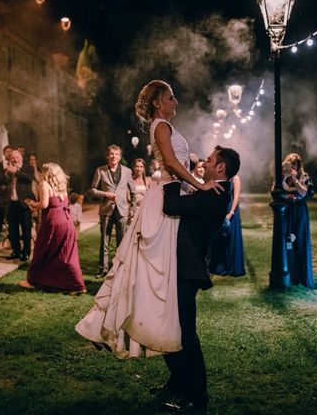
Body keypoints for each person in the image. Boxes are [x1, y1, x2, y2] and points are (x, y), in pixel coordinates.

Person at [76, 79, 221, 359]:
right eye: (170, 97)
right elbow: (172, 163)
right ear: (157, 102)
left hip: (171, 192)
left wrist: (191, 185)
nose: (175, 102)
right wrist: (200, 183)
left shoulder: (163, 126)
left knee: (151, 271)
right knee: (151, 270)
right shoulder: (162, 126)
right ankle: (133, 324)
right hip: (165, 198)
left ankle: (156, 324)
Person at [158, 146, 239, 413]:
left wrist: (171, 176)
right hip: (181, 267)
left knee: (185, 335)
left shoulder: (214, 195)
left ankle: (197, 397)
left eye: (210, 160)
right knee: (172, 328)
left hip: (187, 270)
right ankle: (178, 383)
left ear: (221, 168)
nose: (204, 162)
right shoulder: (212, 192)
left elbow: (170, 205)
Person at [19, 163, 87, 293]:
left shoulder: (44, 184)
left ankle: (33, 281)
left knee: (41, 251)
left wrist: (32, 203)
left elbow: (44, 205)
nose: (39, 174)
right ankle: (76, 285)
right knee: (66, 254)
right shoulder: (62, 185)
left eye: (41, 171)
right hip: (67, 222)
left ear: (46, 173)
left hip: (53, 221)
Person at [90, 145, 136, 278]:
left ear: (120, 157)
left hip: (122, 210)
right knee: (104, 240)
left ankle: (120, 269)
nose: (113, 156)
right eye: (111, 154)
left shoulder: (127, 172)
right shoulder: (100, 171)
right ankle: (103, 269)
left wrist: (132, 207)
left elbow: (133, 192)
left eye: (116, 154)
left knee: (122, 242)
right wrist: (105, 194)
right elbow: (92, 190)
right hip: (106, 209)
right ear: (107, 156)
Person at [281, 153, 314, 288]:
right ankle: (290, 275)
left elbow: (304, 193)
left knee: (300, 241)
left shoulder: (304, 177)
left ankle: (302, 276)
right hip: (287, 212)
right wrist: (285, 178)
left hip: (299, 212)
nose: (292, 166)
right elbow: (275, 191)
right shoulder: (283, 177)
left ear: (299, 165)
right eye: (290, 163)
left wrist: (295, 180)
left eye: (295, 164)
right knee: (288, 242)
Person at [0, 150, 35, 261]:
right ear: (9, 159)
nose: (15, 159)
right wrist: (6, 174)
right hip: (11, 204)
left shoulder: (28, 168)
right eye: (12, 158)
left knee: (26, 230)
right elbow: (0, 183)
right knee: (13, 231)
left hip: (23, 204)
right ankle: (16, 251)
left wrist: (16, 171)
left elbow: (28, 179)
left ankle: (26, 252)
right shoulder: (7, 170)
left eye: (17, 157)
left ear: (21, 157)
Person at [209, 173, 245, 277]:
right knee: (218, 238)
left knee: (231, 238)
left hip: (231, 211)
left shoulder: (235, 178)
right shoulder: (221, 176)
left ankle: (231, 267)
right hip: (221, 208)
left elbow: (236, 197)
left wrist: (231, 212)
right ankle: (218, 266)